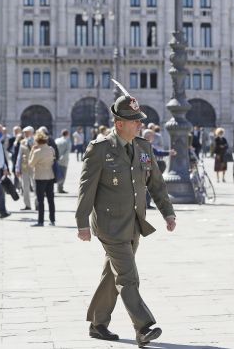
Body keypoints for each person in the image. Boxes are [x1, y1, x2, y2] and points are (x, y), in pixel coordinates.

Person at [75, 88, 176, 347]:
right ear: (119, 124)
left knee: (113, 275)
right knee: (128, 277)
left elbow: (156, 183)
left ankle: (98, 324)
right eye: (135, 120)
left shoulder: (143, 147)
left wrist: (168, 212)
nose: (140, 124)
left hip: (133, 224)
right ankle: (144, 327)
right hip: (109, 225)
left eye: (140, 119)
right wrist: (82, 224)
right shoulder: (99, 149)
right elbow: (86, 188)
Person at [29, 131, 56, 226]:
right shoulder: (51, 149)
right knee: (51, 199)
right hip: (50, 176)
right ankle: (52, 220)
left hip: (40, 176)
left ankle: (40, 221)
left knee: (41, 200)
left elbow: (31, 164)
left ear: (37, 141)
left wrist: (32, 151)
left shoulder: (37, 152)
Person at [15, 135, 32, 210]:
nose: (25, 134)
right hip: (25, 167)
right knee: (25, 186)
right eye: (25, 133)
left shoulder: (37, 141)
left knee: (36, 186)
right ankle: (27, 205)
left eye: (27, 133)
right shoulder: (22, 143)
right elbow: (19, 156)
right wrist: (17, 168)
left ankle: (38, 204)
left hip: (34, 167)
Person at [55, 129, 71, 194]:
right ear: (67, 134)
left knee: (58, 174)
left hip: (56, 160)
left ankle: (58, 188)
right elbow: (67, 152)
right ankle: (60, 188)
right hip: (64, 161)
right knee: (63, 175)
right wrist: (62, 158)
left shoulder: (57, 140)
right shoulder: (67, 141)